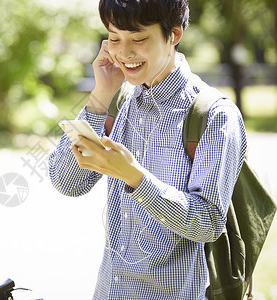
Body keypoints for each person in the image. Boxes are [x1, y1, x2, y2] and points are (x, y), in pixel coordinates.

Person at [48, 0, 247, 299]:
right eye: (114, 38)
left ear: (174, 34)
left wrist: (134, 178)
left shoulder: (215, 115)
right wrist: (101, 93)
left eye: (138, 39)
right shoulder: (117, 101)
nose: (124, 53)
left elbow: (208, 222)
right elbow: (66, 182)